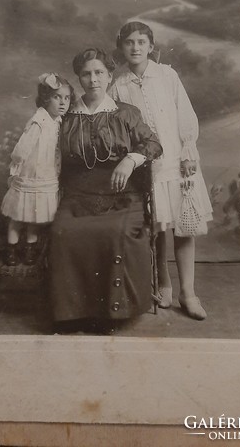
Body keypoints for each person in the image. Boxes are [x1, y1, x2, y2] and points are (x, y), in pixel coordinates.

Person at [49, 48, 162, 330]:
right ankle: (73, 312)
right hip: (78, 195)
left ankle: (110, 312)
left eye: (99, 72)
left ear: (110, 76)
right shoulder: (67, 116)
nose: (93, 79)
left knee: (115, 233)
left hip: (123, 195)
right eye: (86, 74)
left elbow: (153, 144)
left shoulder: (125, 113)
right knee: (63, 233)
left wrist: (129, 160)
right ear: (79, 78)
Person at [110, 21, 213, 320]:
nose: (136, 47)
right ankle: (164, 285)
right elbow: (122, 129)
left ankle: (189, 292)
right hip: (146, 166)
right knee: (157, 226)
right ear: (122, 46)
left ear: (151, 46)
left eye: (142, 41)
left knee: (184, 224)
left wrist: (187, 150)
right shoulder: (119, 84)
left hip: (177, 161)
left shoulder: (167, 75)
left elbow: (184, 112)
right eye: (129, 42)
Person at [1, 73, 73, 266]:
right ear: (45, 98)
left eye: (66, 98)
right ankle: (12, 251)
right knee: (18, 216)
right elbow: (21, 149)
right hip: (30, 173)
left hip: (46, 174)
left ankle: (30, 250)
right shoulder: (39, 121)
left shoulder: (57, 122)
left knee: (35, 216)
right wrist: (16, 169)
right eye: (57, 97)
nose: (62, 103)